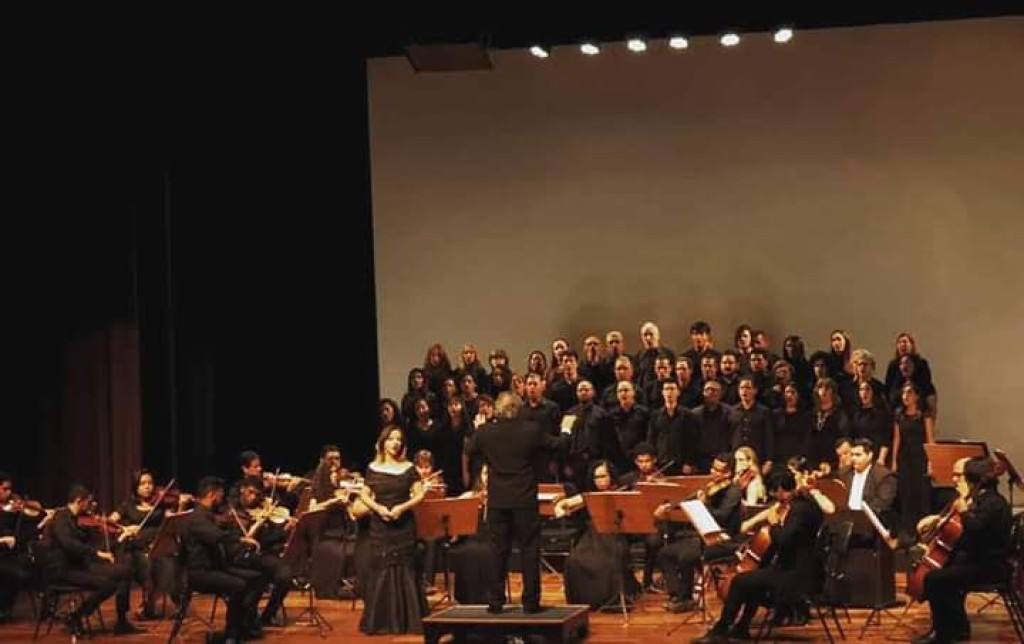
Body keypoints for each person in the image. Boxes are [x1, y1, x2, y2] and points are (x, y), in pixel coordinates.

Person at [465, 391, 568, 614]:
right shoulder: (531, 430)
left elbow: (469, 449)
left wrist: (478, 429)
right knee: (529, 550)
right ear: (519, 409)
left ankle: (495, 602)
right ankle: (530, 603)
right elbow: (558, 445)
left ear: (498, 410)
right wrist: (567, 429)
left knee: (497, 551)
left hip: (498, 500)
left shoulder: (486, 432)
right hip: (524, 499)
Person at [692, 471, 825, 643]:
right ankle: (740, 629)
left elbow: (783, 540)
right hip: (805, 571)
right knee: (753, 578)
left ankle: (721, 631)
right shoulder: (807, 505)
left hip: (795, 576)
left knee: (740, 581)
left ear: (780, 489)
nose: (774, 497)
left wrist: (775, 523)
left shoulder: (797, 510)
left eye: (774, 492)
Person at [910, 456, 1012, 644]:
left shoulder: (992, 503)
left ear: (975, 481)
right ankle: (958, 628)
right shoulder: (985, 499)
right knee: (945, 570)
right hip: (980, 561)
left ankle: (943, 633)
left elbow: (975, 530)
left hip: (990, 566)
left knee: (934, 578)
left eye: (966, 479)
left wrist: (964, 511)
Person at [39, 483, 142, 636]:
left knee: (126, 571)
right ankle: (76, 616)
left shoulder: (79, 519)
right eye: (88, 501)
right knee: (107, 585)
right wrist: (97, 553)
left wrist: (120, 535)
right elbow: (70, 544)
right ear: (79, 501)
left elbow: (90, 544)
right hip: (63, 570)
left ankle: (122, 621)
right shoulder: (61, 518)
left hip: (81, 566)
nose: (90, 505)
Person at [356, 425, 430, 634]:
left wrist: (401, 508)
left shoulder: (409, 468)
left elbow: (419, 495)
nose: (395, 443)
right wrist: (378, 508)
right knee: (382, 568)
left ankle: (408, 620)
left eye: (398, 439)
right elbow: (364, 494)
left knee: (405, 567)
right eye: (391, 439)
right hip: (380, 526)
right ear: (383, 442)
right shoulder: (373, 467)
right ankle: (382, 621)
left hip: (403, 525)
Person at [183, 476, 265, 643]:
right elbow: (216, 537)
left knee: (256, 579)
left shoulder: (207, 515)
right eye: (220, 495)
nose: (222, 499)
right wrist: (241, 539)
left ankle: (244, 624)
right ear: (212, 495)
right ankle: (231, 635)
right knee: (238, 585)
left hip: (215, 567)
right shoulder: (197, 517)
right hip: (200, 572)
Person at [555, 460, 639, 608]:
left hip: (615, 533)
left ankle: (611, 600)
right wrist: (562, 507)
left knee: (610, 562)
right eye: (596, 477)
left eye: (603, 476)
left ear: (611, 476)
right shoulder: (590, 495)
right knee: (574, 561)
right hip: (593, 535)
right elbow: (567, 503)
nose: (600, 481)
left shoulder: (622, 493)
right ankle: (584, 600)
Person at [839, 438, 898, 535]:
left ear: (870, 455)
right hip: (845, 523)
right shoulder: (845, 473)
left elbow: (882, 504)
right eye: (852, 455)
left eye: (858, 455)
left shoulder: (884, 476)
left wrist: (857, 517)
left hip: (870, 527)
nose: (853, 458)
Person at [0, 472, 34, 622]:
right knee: (15, 574)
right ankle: (3, 609)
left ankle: (5, 609)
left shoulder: (10, 509)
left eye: (10, 489)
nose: (9, 493)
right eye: (4, 489)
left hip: (8, 554)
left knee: (28, 566)